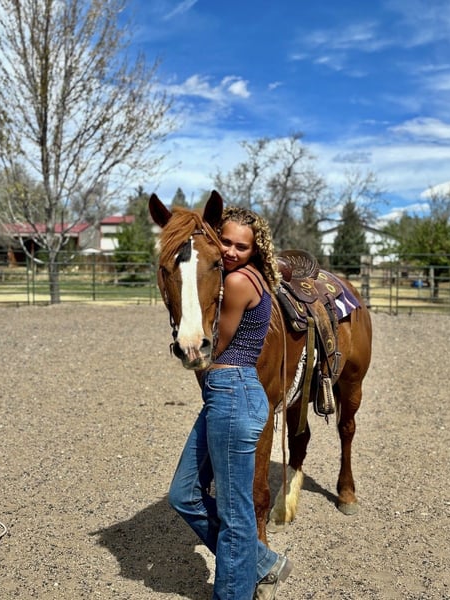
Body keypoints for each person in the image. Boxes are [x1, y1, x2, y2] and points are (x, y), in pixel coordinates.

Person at [168, 206, 293, 600]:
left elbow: (213, 348)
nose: (232, 251)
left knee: (235, 515)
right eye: (226, 242)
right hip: (224, 394)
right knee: (183, 494)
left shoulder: (238, 281)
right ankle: (263, 562)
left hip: (233, 393)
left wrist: (188, 339)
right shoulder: (243, 275)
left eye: (242, 246)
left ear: (255, 250)